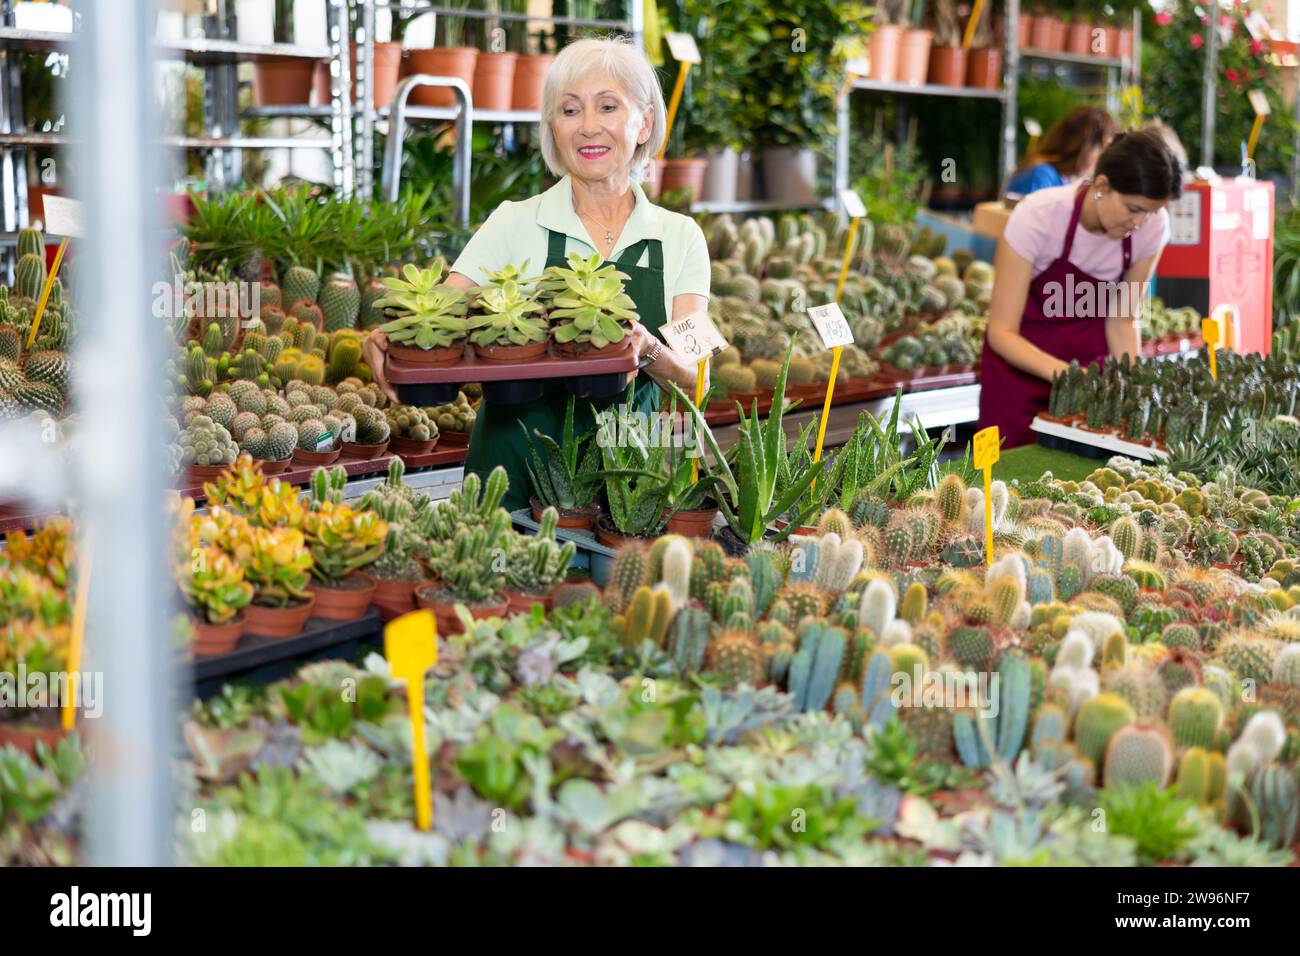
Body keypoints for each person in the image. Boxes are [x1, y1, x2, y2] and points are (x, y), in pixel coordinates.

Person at [364, 37, 709, 511]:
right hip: (511, 477)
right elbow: (440, 312)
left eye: (608, 107)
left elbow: (697, 379)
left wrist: (646, 348)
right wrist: (392, 336)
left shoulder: (681, 237)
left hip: (628, 484)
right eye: (569, 111)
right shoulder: (513, 222)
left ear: (644, 121)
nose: (588, 127)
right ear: (552, 126)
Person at [977, 128, 1182, 447]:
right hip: (1018, 384)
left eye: (1152, 211)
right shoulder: (1038, 216)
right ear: (1101, 186)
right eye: (1133, 209)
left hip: (1091, 390)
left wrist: (1131, 386)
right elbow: (1001, 333)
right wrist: (1072, 377)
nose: (1140, 223)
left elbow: (1122, 319)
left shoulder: (1152, 227)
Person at [1005, 106, 1118, 197]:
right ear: (1083, 146)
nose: (1103, 156)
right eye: (1102, 147)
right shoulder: (1041, 175)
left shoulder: (1068, 177)